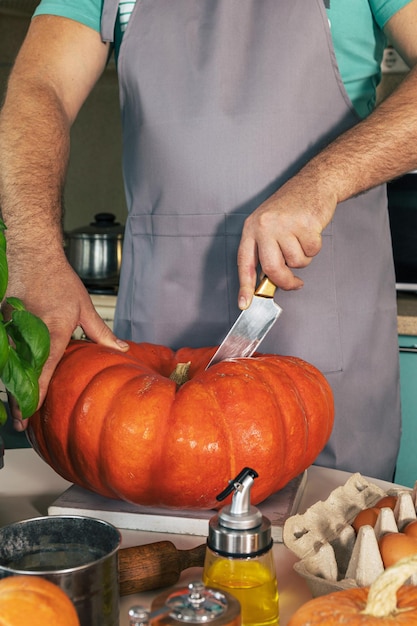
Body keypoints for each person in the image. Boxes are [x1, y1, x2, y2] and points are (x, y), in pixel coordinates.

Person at [0, 0, 417, 481]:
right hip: (153, 350)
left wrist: (323, 180)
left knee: (320, 543)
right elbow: (40, 86)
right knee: (154, 539)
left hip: (328, 332)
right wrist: (33, 252)